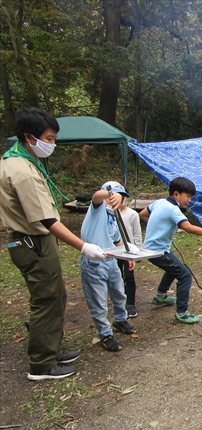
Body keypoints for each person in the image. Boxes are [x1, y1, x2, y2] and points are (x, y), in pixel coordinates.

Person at [0, 107, 106, 380]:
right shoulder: (21, 171)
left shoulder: (20, 161)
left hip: (34, 240)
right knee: (46, 299)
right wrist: (83, 246)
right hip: (32, 242)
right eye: (48, 138)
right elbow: (47, 221)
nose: (52, 144)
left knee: (55, 295)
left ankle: (51, 348)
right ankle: (42, 364)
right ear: (28, 136)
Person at [140, 177, 202, 325]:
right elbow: (188, 227)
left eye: (191, 197)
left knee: (174, 268)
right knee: (184, 275)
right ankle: (181, 313)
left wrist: (158, 227)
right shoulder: (173, 210)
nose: (189, 200)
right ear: (176, 194)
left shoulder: (159, 202)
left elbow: (143, 214)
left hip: (153, 249)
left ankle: (160, 295)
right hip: (157, 251)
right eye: (187, 196)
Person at [80, 181, 136, 352]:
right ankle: (104, 334)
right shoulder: (97, 211)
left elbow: (117, 240)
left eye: (123, 199)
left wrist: (128, 254)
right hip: (94, 262)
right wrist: (112, 195)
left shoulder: (114, 217)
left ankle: (120, 320)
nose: (119, 202)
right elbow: (97, 197)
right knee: (99, 302)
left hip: (111, 260)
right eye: (118, 198)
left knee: (119, 293)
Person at [116, 197, 142, 317]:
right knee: (116, 277)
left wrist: (138, 251)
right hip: (114, 251)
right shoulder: (108, 213)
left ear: (125, 198)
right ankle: (119, 303)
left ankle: (130, 304)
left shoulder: (132, 214)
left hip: (128, 252)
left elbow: (137, 233)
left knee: (129, 277)